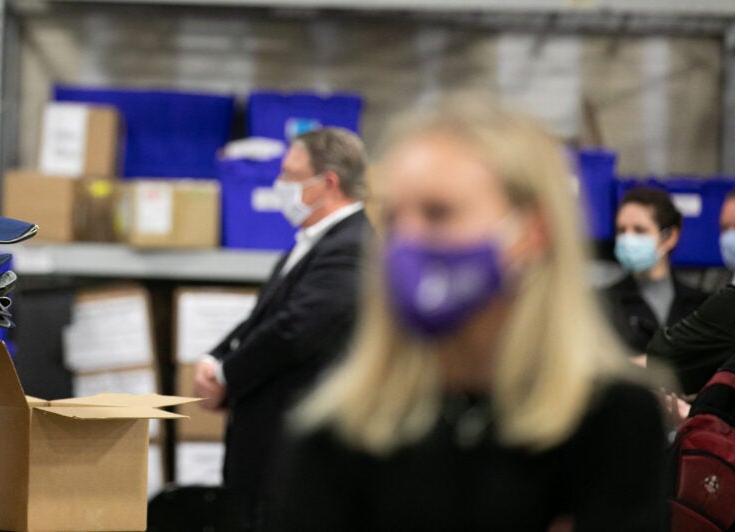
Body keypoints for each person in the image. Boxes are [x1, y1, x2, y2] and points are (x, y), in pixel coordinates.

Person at [270, 96, 667, 530]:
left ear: (532, 231)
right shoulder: (338, 430)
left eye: (439, 213)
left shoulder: (614, 424)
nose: (408, 241)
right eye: (395, 217)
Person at [192, 127, 372, 531]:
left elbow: (295, 330)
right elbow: (264, 318)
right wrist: (215, 358)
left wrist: (226, 376)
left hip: (295, 461)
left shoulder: (351, 247)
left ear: (327, 183)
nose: (279, 185)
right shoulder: (311, 242)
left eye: (290, 175)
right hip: (266, 458)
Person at [647, 189, 735, 395]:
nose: (730, 237)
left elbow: (666, 357)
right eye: (724, 228)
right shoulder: (716, 289)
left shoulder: (726, 304)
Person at [601, 187, 708, 353]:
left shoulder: (701, 306)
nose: (627, 239)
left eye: (639, 230)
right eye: (621, 230)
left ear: (670, 236)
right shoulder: (602, 303)